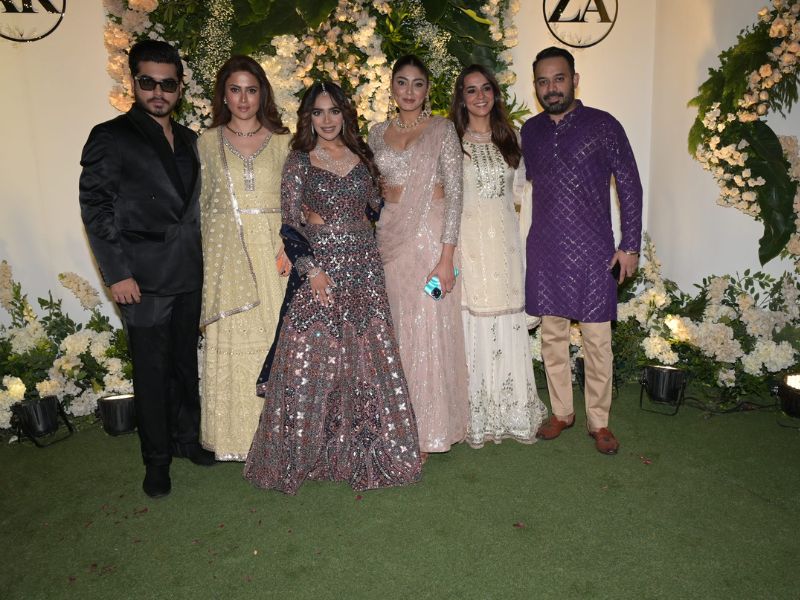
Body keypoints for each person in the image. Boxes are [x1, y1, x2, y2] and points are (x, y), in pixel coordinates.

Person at [243, 81, 421, 494]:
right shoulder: (299, 161)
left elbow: (375, 207)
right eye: (318, 112)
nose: (327, 120)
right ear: (308, 118)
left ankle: (364, 448)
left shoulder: (362, 156)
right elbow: (290, 224)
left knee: (367, 354)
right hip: (322, 266)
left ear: (345, 114)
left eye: (334, 111)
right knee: (310, 355)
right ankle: (306, 451)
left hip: (364, 264)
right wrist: (312, 270)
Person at [79, 40, 214, 499]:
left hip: (189, 271)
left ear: (180, 88)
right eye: (148, 82)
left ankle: (186, 439)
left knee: (184, 363)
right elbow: (96, 207)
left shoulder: (192, 140)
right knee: (152, 373)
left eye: (167, 84)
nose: (158, 92)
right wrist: (117, 273)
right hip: (142, 279)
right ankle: (156, 461)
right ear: (133, 82)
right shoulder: (111, 136)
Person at [521, 46, 643, 455]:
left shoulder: (604, 125)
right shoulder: (530, 131)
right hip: (546, 249)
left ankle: (599, 421)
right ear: (536, 86)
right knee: (552, 336)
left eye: (558, 79)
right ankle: (561, 412)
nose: (551, 88)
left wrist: (630, 245)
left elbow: (630, 185)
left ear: (574, 80)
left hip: (594, 252)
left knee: (597, 340)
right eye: (543, 81)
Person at [368, 55, 469, 458]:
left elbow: (456, 195)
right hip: (390, 236)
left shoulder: (442, 130)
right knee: (396, 326)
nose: (409, 91)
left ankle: (428, 429)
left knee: (427, 327)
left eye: (418, 83)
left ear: (428, 90)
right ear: (391, 86)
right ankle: (398, 422)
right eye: (402, 82)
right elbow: (370, 190)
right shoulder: (376, 133)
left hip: (431, 236)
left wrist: (447, 258)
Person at [197, 56, 291, 461]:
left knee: (278, 339)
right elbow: (203, 206)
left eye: (251, 90)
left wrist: (291, 245)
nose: (243, 98)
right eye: (235, 89)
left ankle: (284, 439)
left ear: (262, 94)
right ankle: (236, 439)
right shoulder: (206, 142)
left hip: (276, 255)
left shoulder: (284, 142)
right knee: (237, 341)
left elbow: (296, 201)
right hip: (228, 258)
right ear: (224, 94)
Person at [450, 65, 548, 447]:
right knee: (471, 319)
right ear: (461, 98)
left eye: (486, 88)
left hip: (506, 246)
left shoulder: (513, 138)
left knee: (505, 316)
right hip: (468, 246)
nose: (480, 96)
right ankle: (474, 414)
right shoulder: (451, 141)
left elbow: (525, 197)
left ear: (495, 93)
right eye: (471, 90)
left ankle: (512, 410)